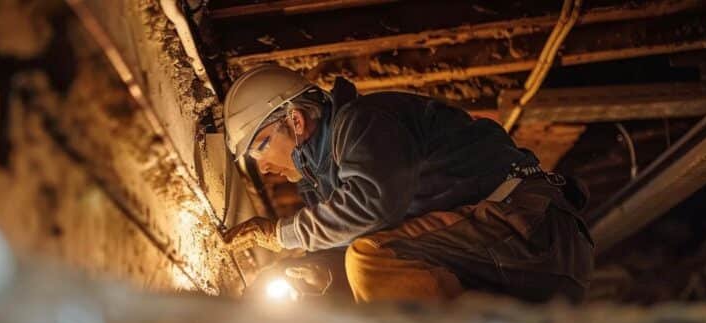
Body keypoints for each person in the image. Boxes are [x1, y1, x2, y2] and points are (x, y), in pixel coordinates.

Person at [222, 65, 593, 303]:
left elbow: (372, 205)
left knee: (368, 259)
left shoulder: (363, 124)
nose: (265, 166)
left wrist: (279, 233)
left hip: (529, 231)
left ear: (296, 120)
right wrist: (324, 269)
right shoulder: (332, 179)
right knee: (359, 272)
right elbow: (388, 233)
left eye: (261, 145)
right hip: (509, 255)